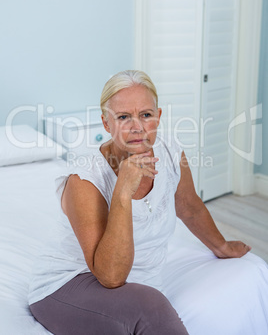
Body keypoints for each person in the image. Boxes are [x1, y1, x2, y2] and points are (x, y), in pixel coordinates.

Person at [28, 70, 267, 335]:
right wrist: (122, 192)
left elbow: (188, 205)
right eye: (123, 117)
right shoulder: (84, 179)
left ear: (158, 117)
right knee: (151, 306)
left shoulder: (169, 150)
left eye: (146, 115)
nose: (137, 127)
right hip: (69, 284)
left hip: (139, 280)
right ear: (106, 123)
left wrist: (221, 246)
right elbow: (111, 277)